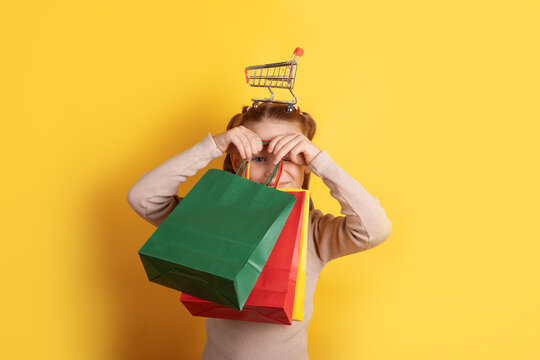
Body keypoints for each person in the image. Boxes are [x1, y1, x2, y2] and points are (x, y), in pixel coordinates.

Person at [127, 102, 392, 360]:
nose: (274, 169)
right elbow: (143, 197)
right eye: (259, 157)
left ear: (305, 165)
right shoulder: (209, 221)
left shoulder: (314, 231)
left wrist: (320, 162)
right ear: (236, 158)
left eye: (289, 157)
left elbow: (375, 229)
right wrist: (213, 146)